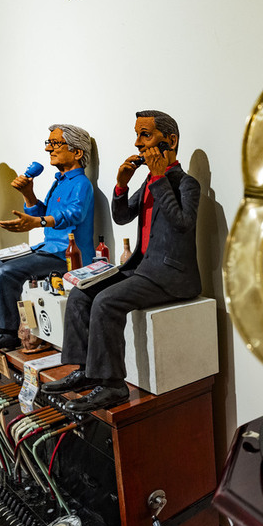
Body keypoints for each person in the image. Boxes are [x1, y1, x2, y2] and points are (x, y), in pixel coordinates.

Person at [42, 110, 201, 412]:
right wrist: (121, 185)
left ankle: (113, 385)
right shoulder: (152, 183)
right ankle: (86, 372)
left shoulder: (186, 184)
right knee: (80, 294)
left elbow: (182, 223)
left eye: (146, 135)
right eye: (137, 134)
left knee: (106, 302)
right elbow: (122, 216)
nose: (138, 143)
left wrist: (158, 178)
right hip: (143, 268)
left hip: (171, 276)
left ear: (171, 140)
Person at [0, 124, 95, 353]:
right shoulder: (59, 182)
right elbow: (42, 213)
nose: (50, 149)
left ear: (77, 152)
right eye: (48, 143)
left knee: (6, 272)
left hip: (67, 255)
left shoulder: (81, 184)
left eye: (55, 143)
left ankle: (7, 332)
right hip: (48, 248)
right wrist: (28, 194)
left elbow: (74, 214)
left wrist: (38, 222)